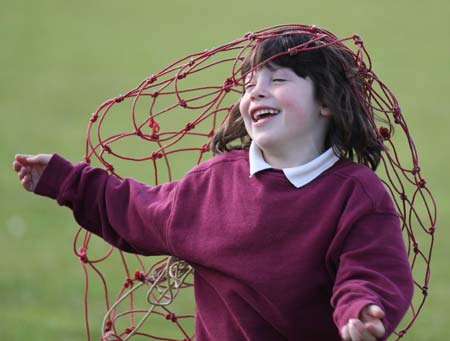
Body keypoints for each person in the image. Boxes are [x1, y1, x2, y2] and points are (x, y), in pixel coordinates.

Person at [13, 31, 413, 340]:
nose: (256, 90)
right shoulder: (213, 182)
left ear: (326, 101)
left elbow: (371, 268)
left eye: (278, 80)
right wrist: (65, 180)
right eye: (249, 83)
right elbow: (137, 209)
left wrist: (361, 310)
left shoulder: (356, 194)